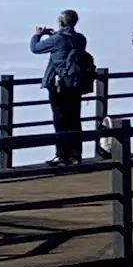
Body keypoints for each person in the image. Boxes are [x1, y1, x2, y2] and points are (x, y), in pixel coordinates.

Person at [32, 10, 99, 165]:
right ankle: (76, 155)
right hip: (76, 83)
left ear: (61, 22)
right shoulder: (81, 39)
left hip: (59, 85)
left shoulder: (57, 39)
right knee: (74, 119)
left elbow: (35, 48)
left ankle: (62, 155)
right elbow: (66, 47)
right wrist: (56, 35)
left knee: (60, 120)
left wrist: (38, 34)